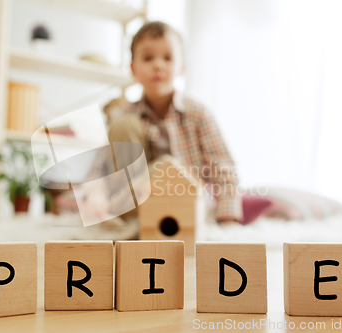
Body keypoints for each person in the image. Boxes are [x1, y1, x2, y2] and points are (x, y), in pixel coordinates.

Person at [102, 21, 242, 225]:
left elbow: (223, 166)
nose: (158, 65)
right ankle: (123, 215)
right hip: (138, 204)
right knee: (123, 126)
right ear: (133, 68)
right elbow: (101, 164)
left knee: (166, 166)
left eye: (167, 58)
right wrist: (95, 194)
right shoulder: (124, 115)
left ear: (182, 67)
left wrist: (227, 215)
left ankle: (120, 210)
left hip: (187, 203)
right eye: (148, 58)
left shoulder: (198, 113)